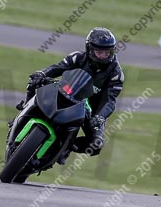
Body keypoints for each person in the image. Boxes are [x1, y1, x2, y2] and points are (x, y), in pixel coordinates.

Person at [17, 27, 124, 156]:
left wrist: (100, 116)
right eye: (99, 52)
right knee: (34, 82)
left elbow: (110, 101)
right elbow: (58, 67)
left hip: (91, 111)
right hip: (66, 92)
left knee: (96, 144)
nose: (103, 56)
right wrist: (42, 73)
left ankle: (66, 148)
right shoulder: (77, 57)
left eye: (107, 52)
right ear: (90, 49)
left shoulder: (116, 74)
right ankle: (23, 111)